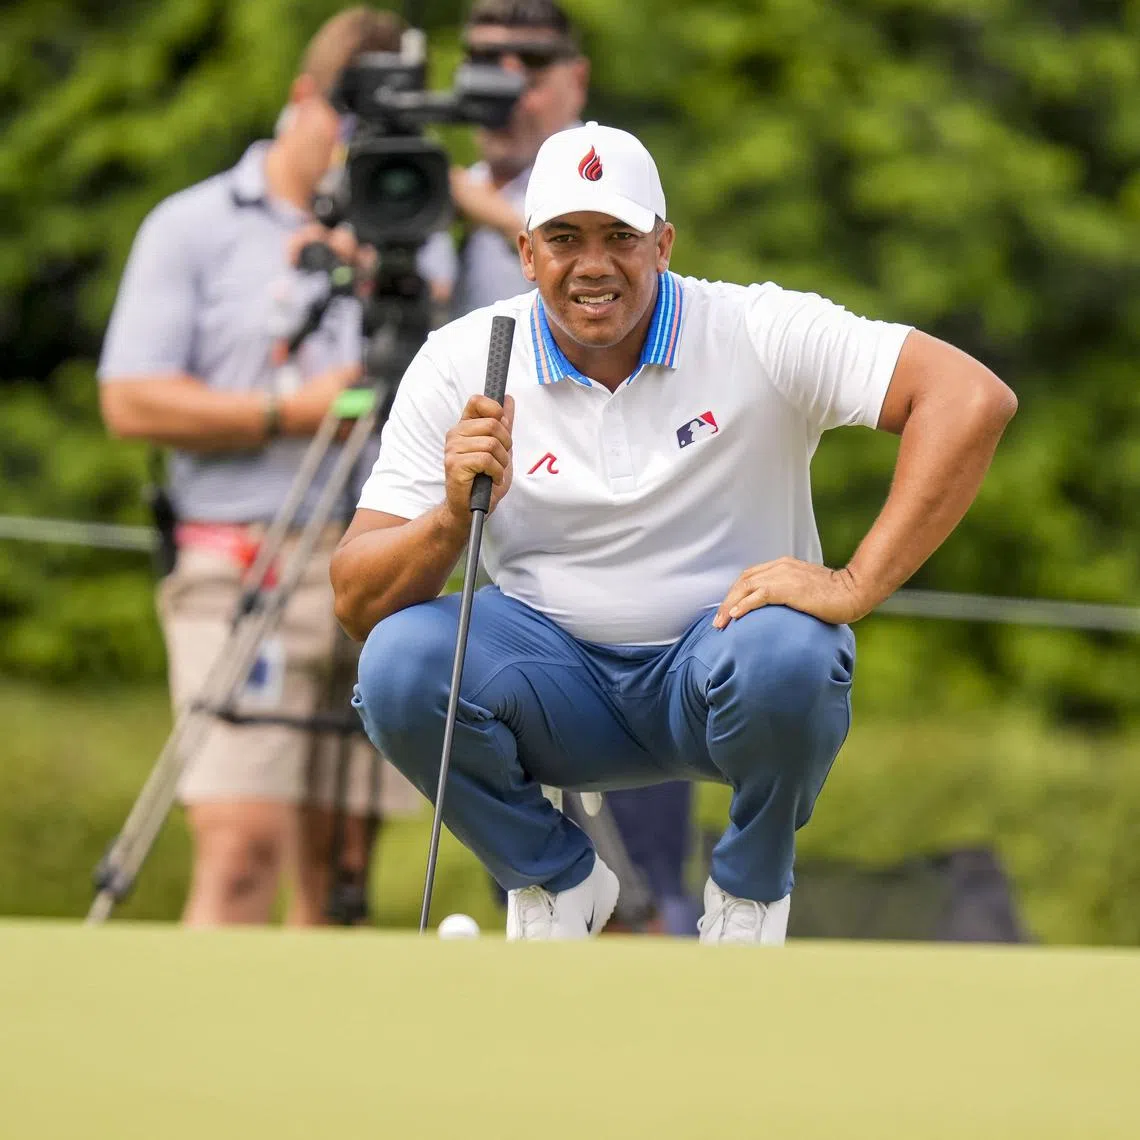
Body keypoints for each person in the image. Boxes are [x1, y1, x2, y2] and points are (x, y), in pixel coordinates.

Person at [332, 121, 1017, 943]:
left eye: (620, 236)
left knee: (793, 650)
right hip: (551, 685)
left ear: (663, 244)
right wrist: (449, 517)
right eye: (564, 238)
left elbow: (969, 399)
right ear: (525, 253)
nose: (593, 264)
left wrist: (854, 583)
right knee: (399, 661)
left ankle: (750, 891)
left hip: (720, 667)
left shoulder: (755, 328)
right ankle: (558, 880)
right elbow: (358, 596)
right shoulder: (463, 359)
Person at [97, 7, 425, 927]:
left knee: (344, 865)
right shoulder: (194, 225)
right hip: (241, 558)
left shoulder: (414, 223)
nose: (357, 151)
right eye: (350, 127)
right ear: (303, 100)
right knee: (242, 843)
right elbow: (129, 399)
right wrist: (288, 412)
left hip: (379, 559)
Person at [421, 0, 588, 318]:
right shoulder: (457, 189)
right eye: (486, 69)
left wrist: (502, 221)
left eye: (530, 80)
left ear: (578, 81)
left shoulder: (600, 175)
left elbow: (606, 288)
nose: (508, 100)